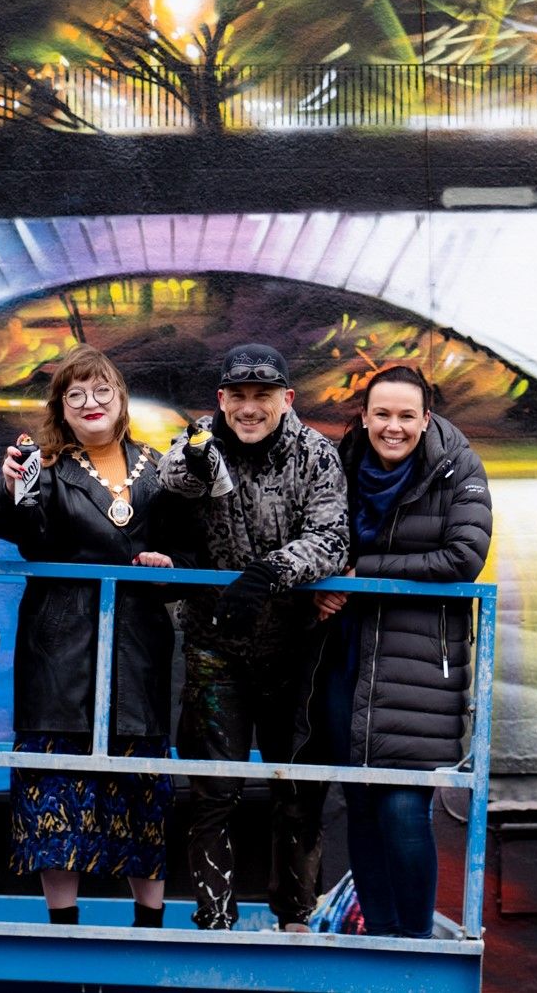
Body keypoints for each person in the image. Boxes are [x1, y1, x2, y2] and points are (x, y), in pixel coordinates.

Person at [0, 345, 188, 929]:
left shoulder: (161, 467)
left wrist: (170, 560)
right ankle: (63, 930)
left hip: (139, 652)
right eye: (75, 395)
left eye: (101, 391)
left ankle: (150, 932)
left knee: (142, 793)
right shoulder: (46, 469)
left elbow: (190, 542)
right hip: (60, 654)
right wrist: (13, 488)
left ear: (120, 400)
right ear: (61, 410)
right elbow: (25, 535)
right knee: (56, 792)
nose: (90, 403)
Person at [156, 341, 348, 932]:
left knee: (297, 788)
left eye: (262, 396)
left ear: (286, 399)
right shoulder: (197, 443)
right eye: (237, 395)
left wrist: (269, 575)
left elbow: (334, 539)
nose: (249, 407)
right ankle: (215, 918)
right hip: (214, 649)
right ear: (221, 399)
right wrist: (193, 467)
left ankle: (294, 920)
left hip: (296, 649)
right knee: (215, 790)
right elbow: (169, 478)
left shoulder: (317, 455)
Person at [313, 365, 492, 938]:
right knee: (360, 801)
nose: (393, 427)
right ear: (363, 417)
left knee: (402, 802)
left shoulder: (456, 465)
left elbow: (464, 556)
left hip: (419, 662)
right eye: (382, 414)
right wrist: (322, 584)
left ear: (426, 417)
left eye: (406, 416)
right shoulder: (338, 465)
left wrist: (361, 572)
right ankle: (381, 940)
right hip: (347, 654)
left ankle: (414, 946)